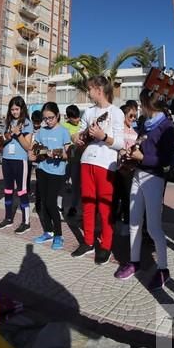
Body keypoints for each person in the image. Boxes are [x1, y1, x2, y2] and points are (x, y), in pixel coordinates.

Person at [114, 89, 174, 289]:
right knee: (133, 222)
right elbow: (140, 146)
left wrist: (143, 158)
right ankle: (134, 262)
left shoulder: (166, 126)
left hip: (154, 179)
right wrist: (131, 154)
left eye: (142, 103)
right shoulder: (144, 123)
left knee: (153, 227)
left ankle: (163, 269)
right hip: (137, 175)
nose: (140, 107)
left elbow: (166, 160)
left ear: (151, 104)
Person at [71, 76, 124, 264]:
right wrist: (76, 138)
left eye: (90, 89)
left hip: (105, 164)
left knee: (105, 207)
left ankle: (106, 245)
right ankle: (88, 242)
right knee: (87, 205)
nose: (88, 92)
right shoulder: (88, 111)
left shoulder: (116, 112)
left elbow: (120, 143)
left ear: (99, 89)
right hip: (86, 161)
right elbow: (78, 132)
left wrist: (103, 136)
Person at [31, 102, 71, 250]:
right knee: (41, 204)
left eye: (51, 118)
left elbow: (69, 154)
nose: (48, 121)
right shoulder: (41, 131)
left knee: (51, 203)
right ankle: (48, 232)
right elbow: (34, 148)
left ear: (58, 116)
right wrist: (39, 151)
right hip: (42, 169)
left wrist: (57, 154)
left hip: (56, 172)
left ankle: (59, 235)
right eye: (45, 118)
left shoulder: (63, 131)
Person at [0, 96, 34, 233]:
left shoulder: (27, 123)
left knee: (22, 190)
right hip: (6, 160)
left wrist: (18, 134)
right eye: (12, 109)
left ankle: (26, 222)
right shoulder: (7, 123)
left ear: (22, 108)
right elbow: (2, 142)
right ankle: (8, 218)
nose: (14, 112)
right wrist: (4, 137)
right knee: (7, 190)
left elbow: (28, 146)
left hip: (20, 161)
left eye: (17, 109)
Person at [113, 104, 139, 236]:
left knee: (127, 199)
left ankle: (126, 224)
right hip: (115, 169)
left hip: (129, 170)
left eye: (135, 116)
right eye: (131, 115)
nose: (133, 118)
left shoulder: (135, 133)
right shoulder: (116, 131)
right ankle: (110, 223)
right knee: (113, 198)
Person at [61, 105, 82, 217]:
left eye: (78, 116)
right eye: (74, 118)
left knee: (75, 184)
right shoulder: (64, 126)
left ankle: (73, 207)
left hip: (77, 160)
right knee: (61, 183)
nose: (77, 119)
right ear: (68, 118)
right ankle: (61, 205)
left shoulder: (82, 125)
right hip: (66, 160)